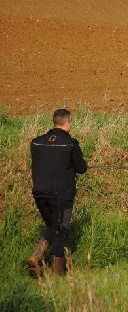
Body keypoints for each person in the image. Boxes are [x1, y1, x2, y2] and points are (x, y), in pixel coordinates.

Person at [27, 109, 87, 276]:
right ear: (67, 123)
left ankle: (36, 257)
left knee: (52, 226)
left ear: (55, 122)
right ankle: (57, 274)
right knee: (61, 231)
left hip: (39, 192)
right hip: (61, 195)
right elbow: (81, 168)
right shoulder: (70, 144)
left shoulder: (36, 142)